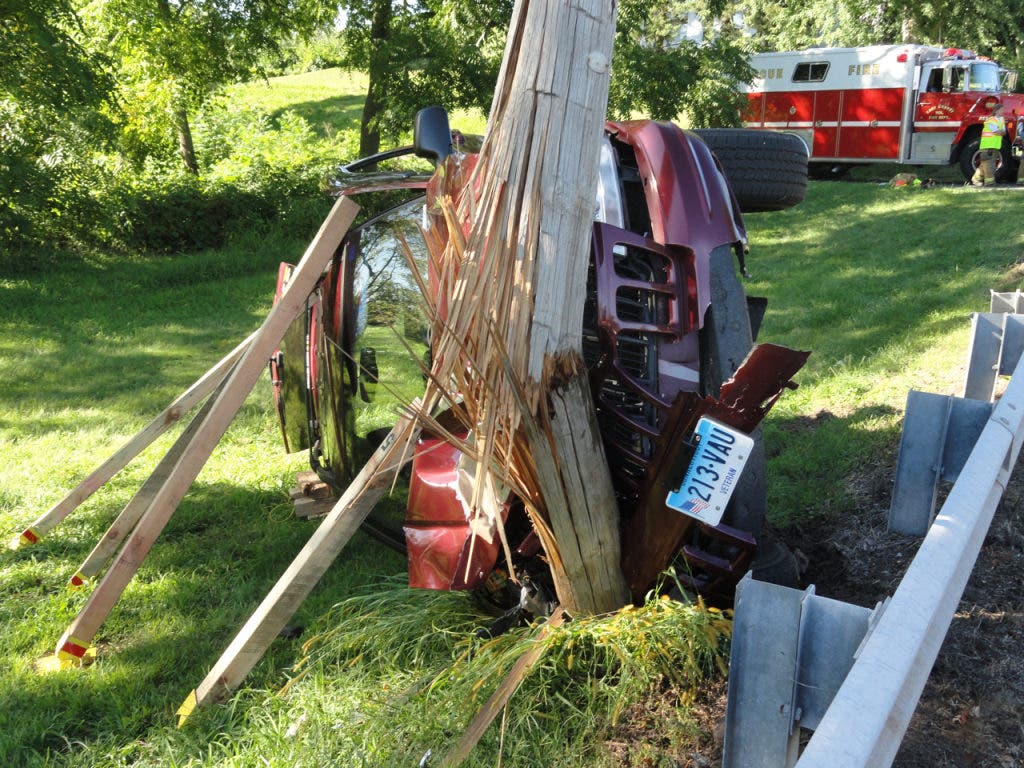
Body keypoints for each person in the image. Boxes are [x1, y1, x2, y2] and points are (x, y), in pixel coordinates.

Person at [971, 102, 1005, 187]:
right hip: (988, 146)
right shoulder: (991, 120)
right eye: (1001, 110)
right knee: (989, 164)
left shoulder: (1001, 120)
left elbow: (1003, 132)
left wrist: (1001, 132)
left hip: (994, 146)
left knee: (985, 164)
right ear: (996, 111)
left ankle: (976, 179)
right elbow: (997, 132)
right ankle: (989, 182)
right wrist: (1001, 132)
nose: (1003, 111)